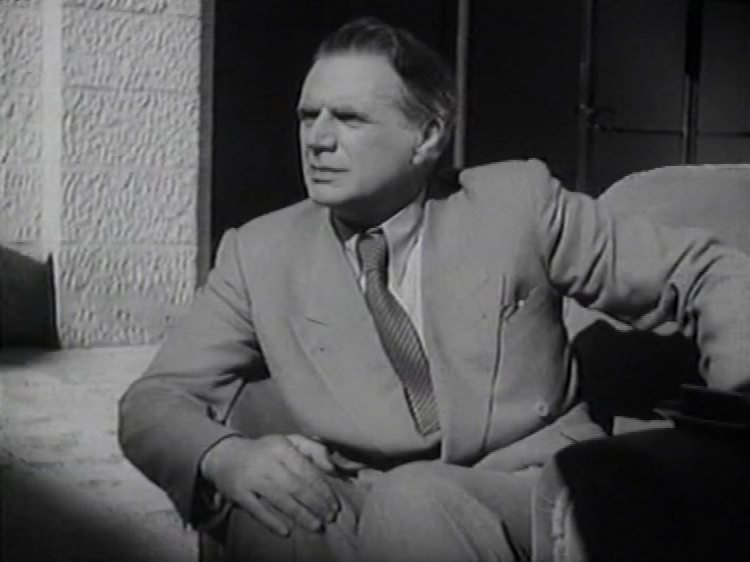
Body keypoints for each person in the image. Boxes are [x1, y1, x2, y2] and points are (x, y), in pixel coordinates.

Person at [118, 17, 750, 562]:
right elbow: (156, 399)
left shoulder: (515, 203)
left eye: (349, 117)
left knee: (416, 499)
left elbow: (704, 272)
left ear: (427, 136)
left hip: (527, 488)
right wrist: (225, 456)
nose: (317, 139)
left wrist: (736, 425)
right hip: (362, 495)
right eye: (309, 116)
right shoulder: (259, 252)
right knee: (279, 510)